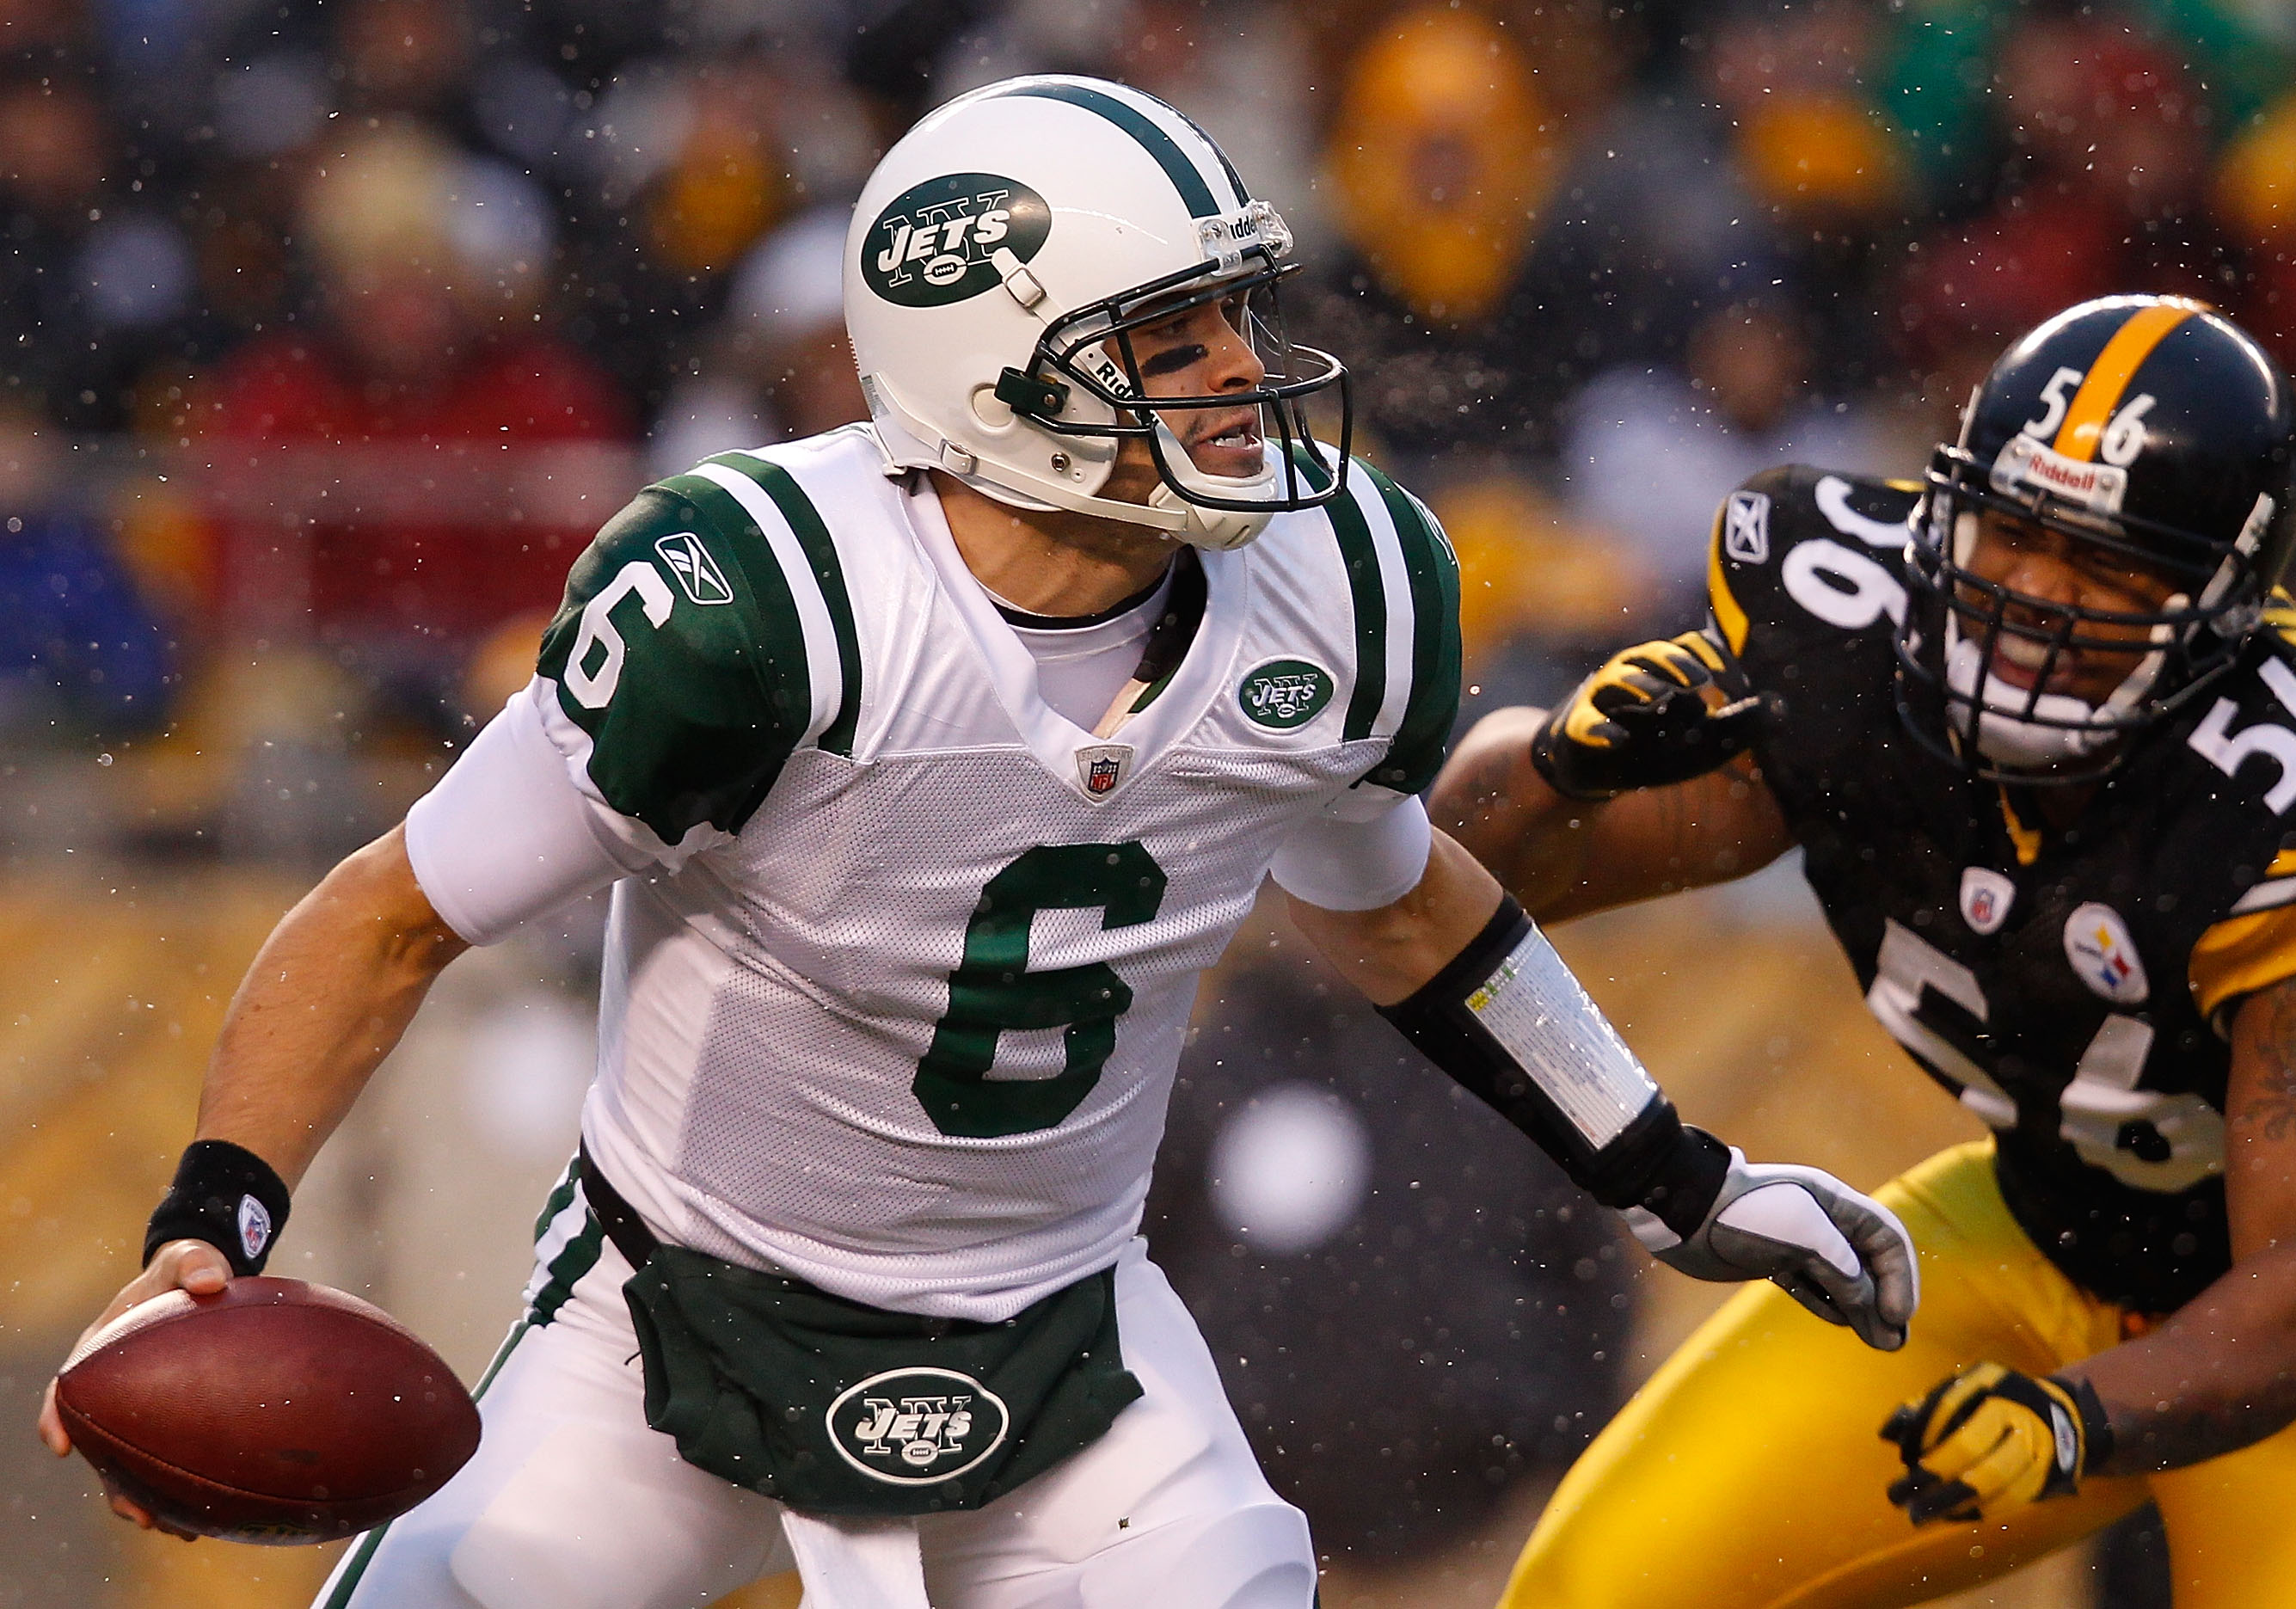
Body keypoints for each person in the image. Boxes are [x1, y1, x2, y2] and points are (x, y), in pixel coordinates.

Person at [34, 77, 1914, 1609]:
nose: (1237, 375)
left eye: (1236, 319)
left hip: (1061, 1340)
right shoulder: (760, 605)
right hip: (675, 1325)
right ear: (984, 369)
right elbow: (387, 916)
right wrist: (212, 1223)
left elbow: (1401, 904)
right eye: (1167, 338)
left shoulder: (1335, 583)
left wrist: (1681, 1177)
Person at [1436, 294, 2296, 1607]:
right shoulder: (1849, 640)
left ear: (2221, 600)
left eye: (2105, 565)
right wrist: (1555, 760)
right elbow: (1472, 881)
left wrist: (2081, 1420)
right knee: (1600, 1590)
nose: (2033, 597)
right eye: (2014, 534)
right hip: (2045, 1233)